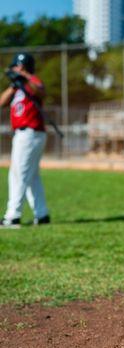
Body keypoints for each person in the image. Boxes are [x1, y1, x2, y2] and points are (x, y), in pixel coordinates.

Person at [0, 53, 50, 228]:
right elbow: (1, 102)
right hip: (23, 134)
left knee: (18, 174)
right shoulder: (17, 87)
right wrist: (14, 84)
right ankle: (42, 214)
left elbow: (41, 91)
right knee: (32, 176)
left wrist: (25, 76)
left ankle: (12, 216)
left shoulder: (31, 82)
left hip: (31, 133)